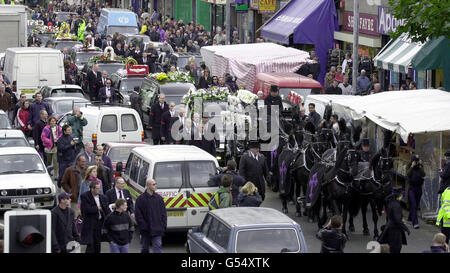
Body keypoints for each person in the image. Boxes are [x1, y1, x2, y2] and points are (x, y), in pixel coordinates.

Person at [135, 178, 167, 253]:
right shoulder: (140, 199)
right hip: (145, 230)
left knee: (157, 247)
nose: (156, 186)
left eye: (155, 184)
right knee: (145, 248)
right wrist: (143, 226)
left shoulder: (159, 198)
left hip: (157, 229)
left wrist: (163, 225)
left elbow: (163, 213)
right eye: (154, 184)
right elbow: (138, 215)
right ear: (148, 186)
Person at [80, 181, 110, 253]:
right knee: (90, 245)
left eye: (99, 188)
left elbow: (106, 209)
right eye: (97, 188)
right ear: (92, 189)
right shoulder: (85, 196)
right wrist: (97, 208)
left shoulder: (102, 197)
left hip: (99, 223)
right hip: (90, 223)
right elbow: (86, 209)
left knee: (97, 243)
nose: (99, 190)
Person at [378, 187, 410, 253]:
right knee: (396, 248)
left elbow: (385, 199)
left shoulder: (390, 202)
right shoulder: (396, 206)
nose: (402, 197)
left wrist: (394, 194)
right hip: (395, 230)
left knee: (391, 247)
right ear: (399, 196)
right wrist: (406, 228)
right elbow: (397, 220)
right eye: (402, 195)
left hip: (389, 228)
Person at [407, 154, 426, 229]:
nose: (416, 162)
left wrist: (421, 165)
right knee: (414, 204)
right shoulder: (409, 166)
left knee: (416, 204)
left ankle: (410, 217)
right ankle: (415, 223)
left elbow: (424, 174)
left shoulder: (420, 167)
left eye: (417, 161)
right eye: (415, 161)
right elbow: (408, 174)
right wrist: (412, 166)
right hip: (411, 188)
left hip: (419, 188)